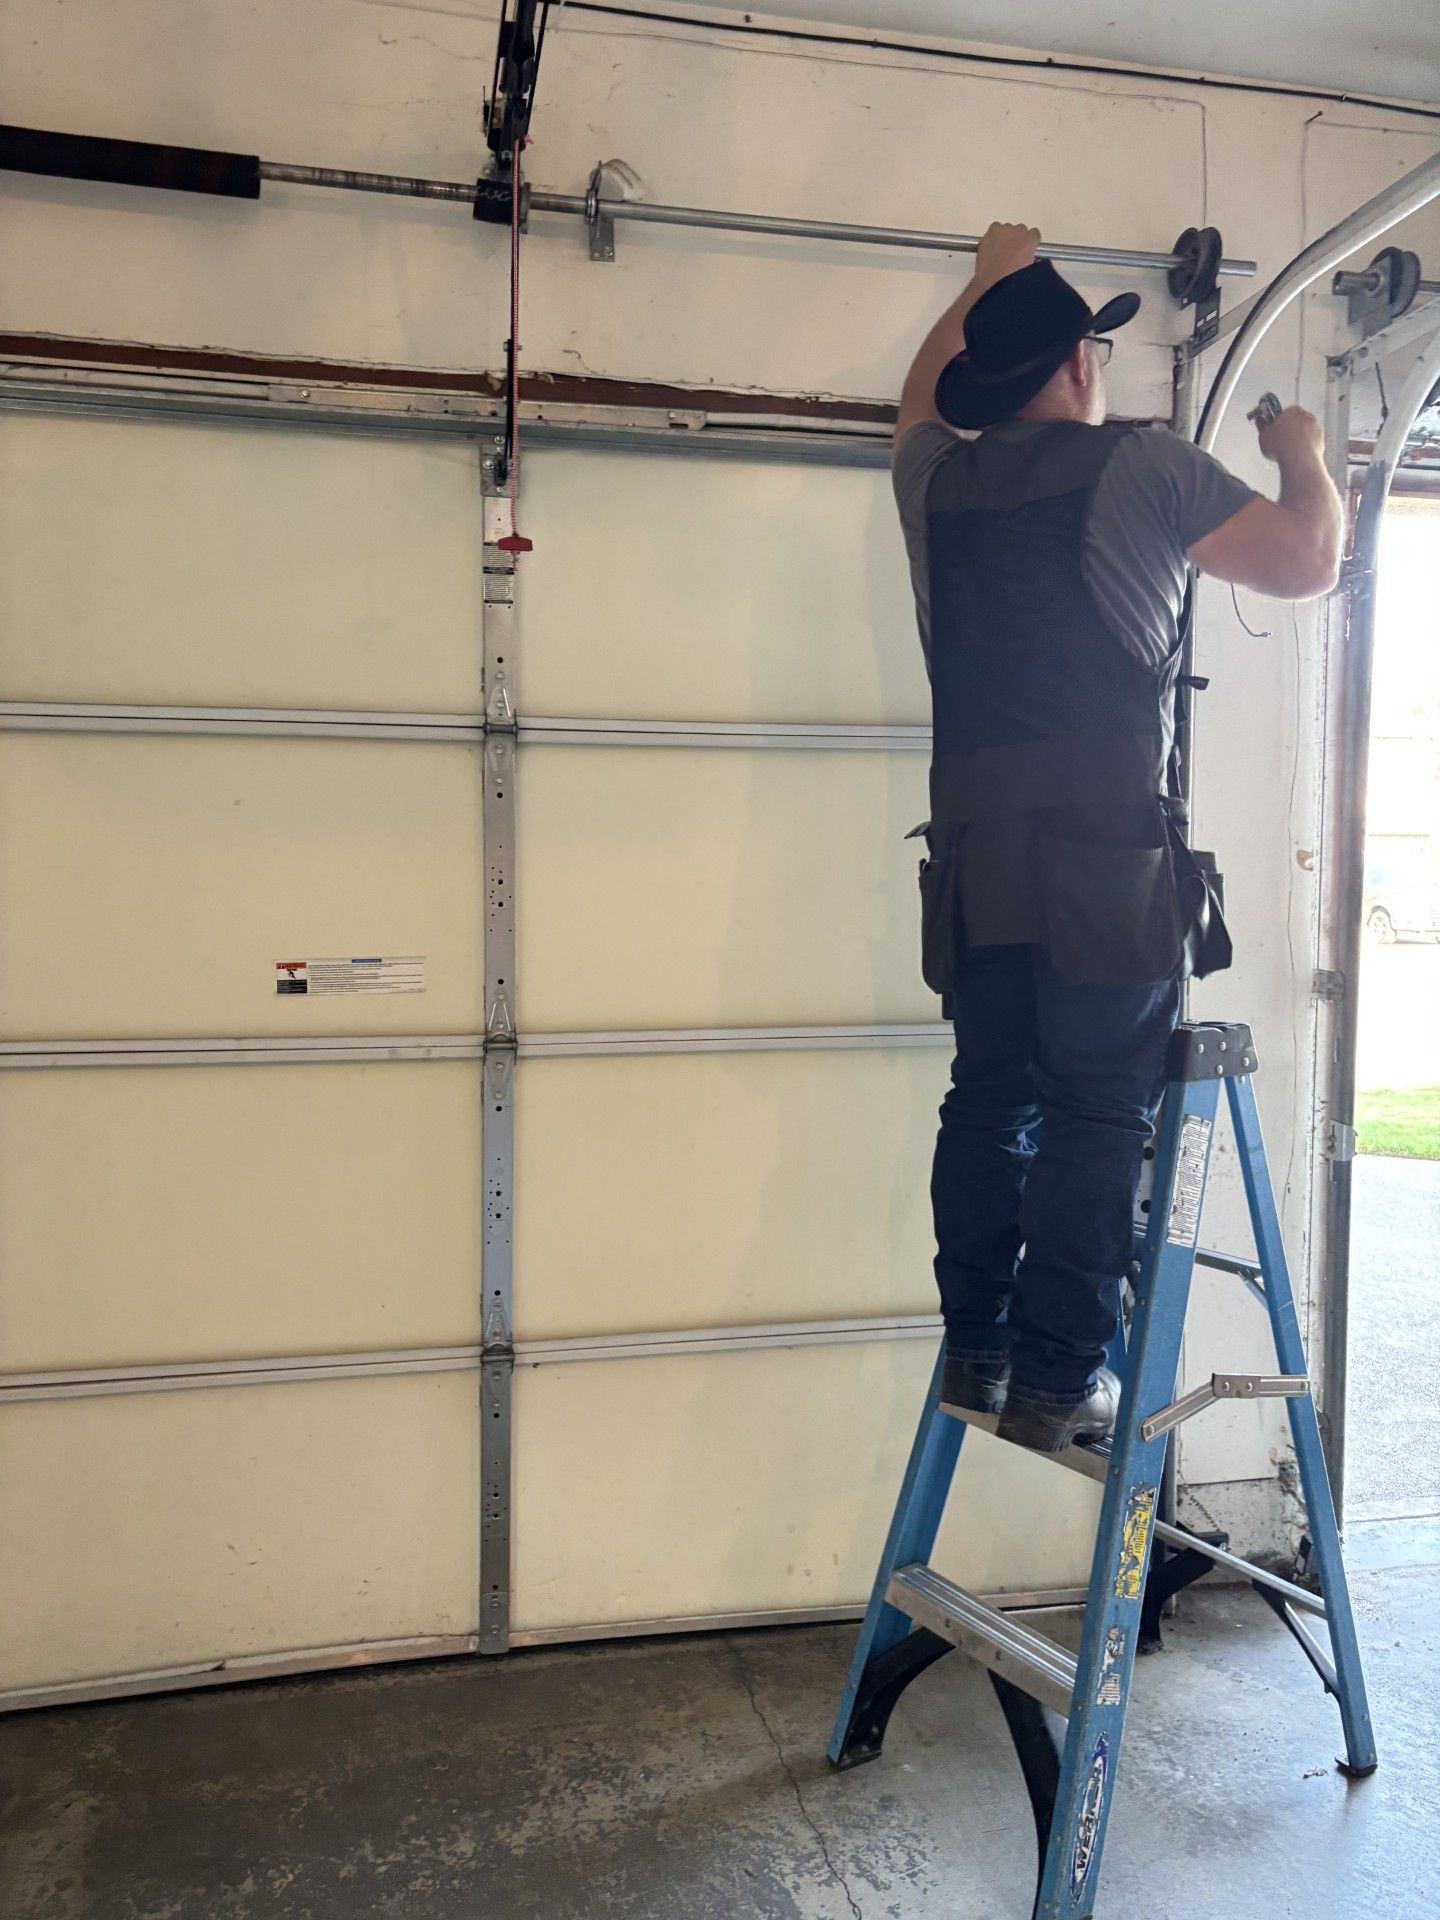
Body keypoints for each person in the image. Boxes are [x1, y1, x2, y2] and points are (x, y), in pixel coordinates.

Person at [893, 221, 1342, 1453]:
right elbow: (1309, 560)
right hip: (1104, 859)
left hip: (976, 861)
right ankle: (1056, 1377)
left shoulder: (932, 480)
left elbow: (915, 403)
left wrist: (986, 289)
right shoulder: (1146, 468)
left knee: (987, 1102)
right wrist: (1306, 455)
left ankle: (976, 1352)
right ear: (1088, 365)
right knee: (1099, 1113)